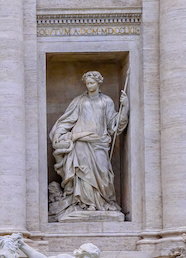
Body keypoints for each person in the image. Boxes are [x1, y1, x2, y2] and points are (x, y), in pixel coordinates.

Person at [50, 71, 128, 213]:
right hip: (81, 142)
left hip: (99, 142)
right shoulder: (80, 101)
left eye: (92, 83)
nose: (89, 85)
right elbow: (67, 120)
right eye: (87, 83)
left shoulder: (106, 101)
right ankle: (85, 203)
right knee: (83, 173)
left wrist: (125, 108)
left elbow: (114, 125)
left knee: (103, 173)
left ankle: (102, 202)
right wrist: (59, 133)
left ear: (98, 83)